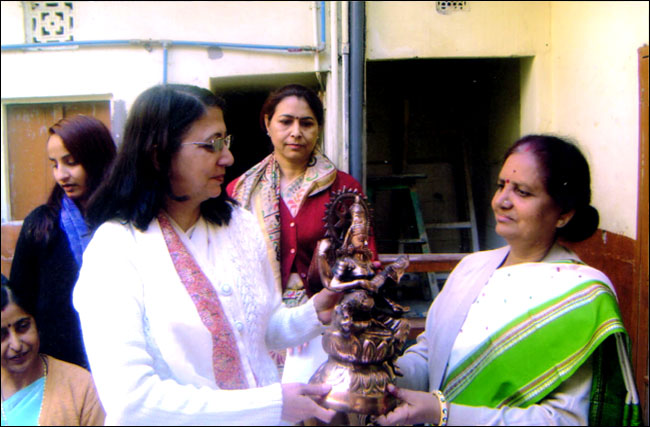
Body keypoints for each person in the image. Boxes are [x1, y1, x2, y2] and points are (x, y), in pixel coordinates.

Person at [72, 84, 339, 425]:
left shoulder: (239, 224)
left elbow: (263, 329)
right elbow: (132, 401)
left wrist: (315, 312)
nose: (227, 157)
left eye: (225, 142)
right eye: (211, 144)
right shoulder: (116, 248)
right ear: (158, 155)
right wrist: (270, 404)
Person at [376, 135, 641, 426]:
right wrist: (381, 379)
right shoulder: (471, 268)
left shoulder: (582, 295)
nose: (501, 201)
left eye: (522, 192)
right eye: (501, 185)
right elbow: (432, 355)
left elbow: (566, 420)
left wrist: (444, 413)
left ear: (563, 214)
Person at [227, 84, 377, 384]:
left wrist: (326, 309)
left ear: (318, 128)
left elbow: (365, 259)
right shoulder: (241, 191)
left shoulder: (344, 188)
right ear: (267, 123)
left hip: (329, 321)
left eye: (306, 123)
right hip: (263, 324)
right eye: (286, 121)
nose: (296, 132)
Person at [9, 115, 117, 370]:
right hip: (61, 369)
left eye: (71, 162)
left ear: (99, 159)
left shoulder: (129, 221)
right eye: (54, 164)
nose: (61, 175)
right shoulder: (41, 226)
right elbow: (20, 301)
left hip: (122, 364)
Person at [1, 278, 105, 426]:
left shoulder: (79, 387)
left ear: (37, 323)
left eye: (23, 326)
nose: (16, 345)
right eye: (2, 335)